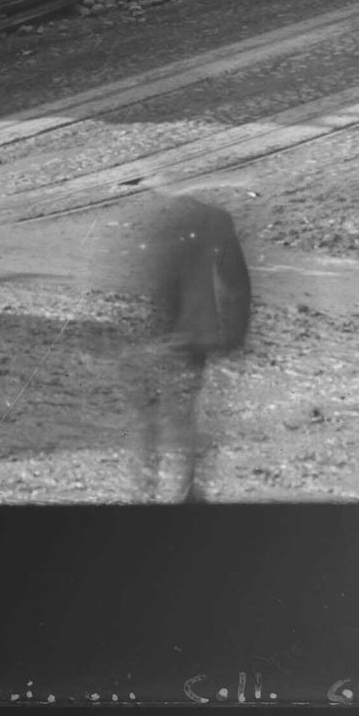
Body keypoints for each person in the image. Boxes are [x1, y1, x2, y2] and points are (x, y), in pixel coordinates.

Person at [129, 192, 252, 501]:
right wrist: (235, 333)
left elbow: (146, 274)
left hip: (158, 335)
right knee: (185, 414)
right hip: (193, 336)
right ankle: (187, 487)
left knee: (150, 415)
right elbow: (235, 282)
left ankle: (147, 489)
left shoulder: (156, 213)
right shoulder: (214, 220)